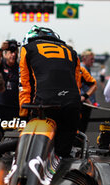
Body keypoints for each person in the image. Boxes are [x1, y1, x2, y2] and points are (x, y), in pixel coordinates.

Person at [19, 26, 81, 158]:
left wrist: (23, 113)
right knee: (63, 155)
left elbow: (24, 84)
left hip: (44, 105)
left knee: (37, 154)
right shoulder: (72, 51)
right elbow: (77, 83)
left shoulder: (27, 49)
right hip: (72, 103)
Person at [0, 39, 20, 120]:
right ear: (5, 54)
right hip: (0, 104)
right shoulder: (1, 64)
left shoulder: (19, 67)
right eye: (11, 52)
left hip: (14, 105)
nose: (13, 55)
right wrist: (1, 49)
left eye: (15, 52)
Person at [79, 50, 97, 133]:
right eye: (91, 59)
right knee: (81, 127)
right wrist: (86, 99)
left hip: (87, 103)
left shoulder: (87, 69)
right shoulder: (81, 69)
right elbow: (80, 87)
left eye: (93, 59)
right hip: (83, 103)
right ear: (84, 59)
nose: (93, 61)